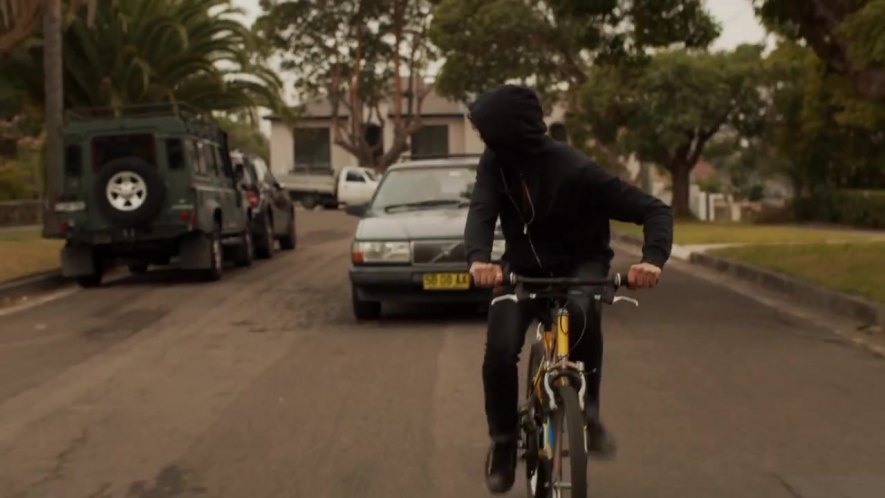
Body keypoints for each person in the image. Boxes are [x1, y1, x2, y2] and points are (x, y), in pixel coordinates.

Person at [465, 85, 674, 494]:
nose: (484, 141)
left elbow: (654, 209)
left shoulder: (574, 170)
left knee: (582, 313)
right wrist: (478, 258)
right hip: (521, 270)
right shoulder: (495, 164)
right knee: (501, 349)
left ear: (511, 131)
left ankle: (589, 413)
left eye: (488, 131)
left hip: (582, 264)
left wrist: (652, 259)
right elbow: (481, 209)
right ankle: (504, 443)